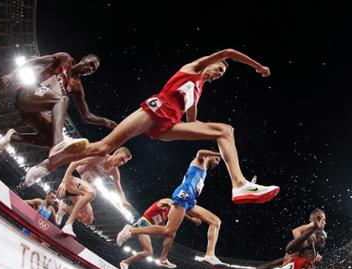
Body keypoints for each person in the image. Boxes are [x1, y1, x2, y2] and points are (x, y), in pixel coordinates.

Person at [25, 48, 279, 204]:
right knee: (103, 148)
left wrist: (220, 150)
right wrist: (257, 66)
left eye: (222, 74)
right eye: (219, 68)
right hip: (155, 108)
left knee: (225, 130)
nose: (219, 72)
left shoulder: (197, 92)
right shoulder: (193, 68)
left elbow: (193, 124)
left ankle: (239, 184)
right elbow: (229, 51)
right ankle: (49, 163)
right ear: (210, 63)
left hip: (169, 124)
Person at [116, 150, 226, 269]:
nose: (217, 163)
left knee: (215, 222)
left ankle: (209, 255)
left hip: (190, 200)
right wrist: (222, 153)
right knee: (169, 231)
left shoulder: (204, 171)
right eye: (216, 159)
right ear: (211, 155)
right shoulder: (201, 161)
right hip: (183, 194)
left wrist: (192, 217)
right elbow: (200, 152)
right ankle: (131, 231)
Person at [0, 52, 116, 158]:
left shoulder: (77, 87)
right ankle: (59, 144)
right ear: (84, 59)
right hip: (26, 93)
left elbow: (86, 115)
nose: (90, 68)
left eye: (93, 69)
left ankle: (12, 138)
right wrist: (12, 75)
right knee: (63, 100)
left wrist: (104, 121)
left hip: (34, 112)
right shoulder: (65, 59)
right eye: (90, 64)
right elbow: (34, 61)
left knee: (49, 139)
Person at [56, 147, 132, 237]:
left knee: (88, 219)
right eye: (121, 158)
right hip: (72, 179)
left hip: (80, 190)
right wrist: (63, 183)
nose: (121, 163)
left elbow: (120, 188)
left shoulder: (114, 171)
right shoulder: (100, 157)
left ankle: (64, 208)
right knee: (92, 192)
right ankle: (68, 224)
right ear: (116, 152)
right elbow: (74, 163)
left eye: (124, 162)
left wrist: (123, 200)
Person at [118, 198, 201, 269]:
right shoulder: (168, 201)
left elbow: (162, 227)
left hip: (148, 228)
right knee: (170, 232)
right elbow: (174, 206)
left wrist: (168, 240)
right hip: (143, 224)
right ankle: (130, 230)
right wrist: (190, 218)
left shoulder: (166, 215)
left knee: (148, 252)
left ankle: (125, 262)